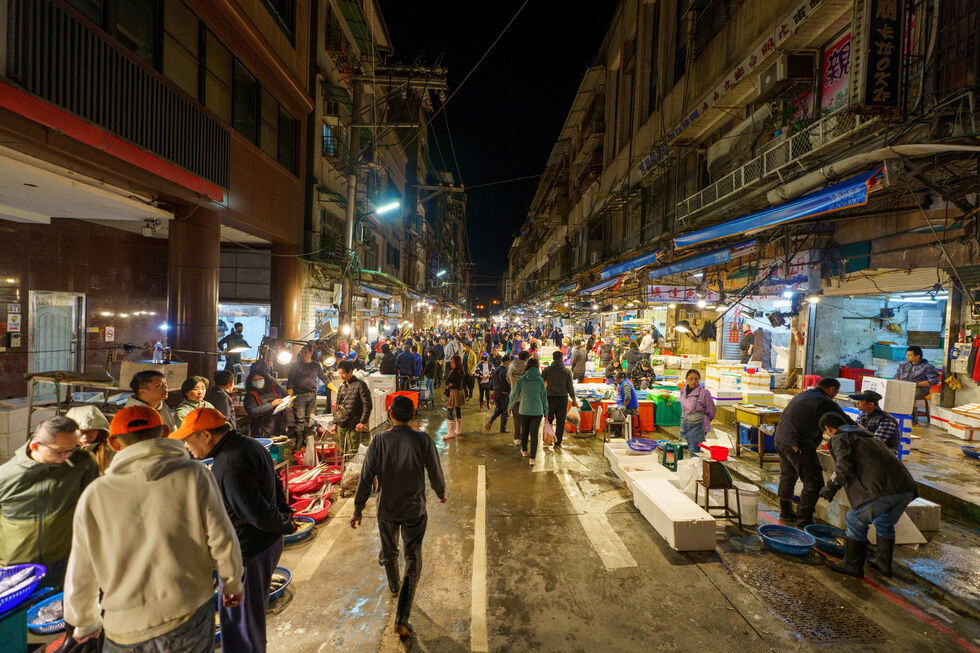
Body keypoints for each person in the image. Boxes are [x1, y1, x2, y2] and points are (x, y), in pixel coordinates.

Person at [64, 406, 244, 651]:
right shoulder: (194, 475)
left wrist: (84, 620)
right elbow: (222, 536)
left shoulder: (96, 494)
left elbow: (82, 567)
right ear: (166, 432)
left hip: (125, 626)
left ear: (114, 444)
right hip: (188, 613)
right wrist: (232, 583)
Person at [172, 408, 294, 652]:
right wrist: (285, 514)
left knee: (242, 625)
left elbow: (257, 513)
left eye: (188, 439)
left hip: (250, 551)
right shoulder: (249, 445)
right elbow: (276, 481)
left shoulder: (228, 465)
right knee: (245, 618)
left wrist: (285, 523)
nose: (186, 446)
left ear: (206, 436)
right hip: (266, 543)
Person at [350, 396, 446, 639]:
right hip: (414, 509)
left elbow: (365, 476)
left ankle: (394, 587)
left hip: (387, 509)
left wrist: (358, 508)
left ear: (390, 414)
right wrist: (440, 492)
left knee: (389, 550)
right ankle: (402, 618)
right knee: (413, 559)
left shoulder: (379, 441)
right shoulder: (423, 440)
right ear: (413, 414)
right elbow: (434, 469)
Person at [0, 416, 98, 585]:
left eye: (72, 449)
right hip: (16, 568)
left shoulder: (82, 464)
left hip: (64, 561)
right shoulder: (6, 476)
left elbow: (92, 505)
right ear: (35, 446)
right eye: (60, 451)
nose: (67, 456)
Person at [817, 413, 917, 578]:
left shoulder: (839, 437)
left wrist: (830, 487)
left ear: (829, 429)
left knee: (854, 521)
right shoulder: (867, 436)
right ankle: (883, 564)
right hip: (906, 487)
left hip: (881, 490)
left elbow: (843, 467)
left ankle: (852, 565)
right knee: (884, 522)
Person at [774, 377, 851, 526]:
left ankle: (786, 513)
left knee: (788, 475)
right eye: (836, 393)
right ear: (832, 390)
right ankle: (803, 521)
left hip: (781, 439)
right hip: (797, 445)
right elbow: (844, 420)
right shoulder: (825, 401)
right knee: (813, 483)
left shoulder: (804, 394)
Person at [286, 346, 330, 444]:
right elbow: (290, 382)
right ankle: (298, 442)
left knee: (308, 419)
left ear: (311, 353)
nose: (304, 354)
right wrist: (289, 399)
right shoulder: (295, 365)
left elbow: (324, 378)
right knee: (300, 420)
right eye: (303, 352)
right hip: (299, 396)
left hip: (312, 396)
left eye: (306, 352)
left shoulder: (316, 365)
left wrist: (334, 388)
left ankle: (305, 440)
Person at [509, 357, 548, 465]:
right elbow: (544, 397)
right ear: (537, 367)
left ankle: (524, 450)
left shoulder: (522, 379)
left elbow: (514, 394)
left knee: (525, 431)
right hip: (537, 411)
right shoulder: (540, 380)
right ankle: (532, 458)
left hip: (524, 410)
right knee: (534, 434)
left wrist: (510, 406)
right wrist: (546, 412)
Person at [331, 360, 372, 457]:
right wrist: (335, 423)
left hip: (354, 424)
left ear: (351, 371)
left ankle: (352, 471)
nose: (341, 376)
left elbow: (367, 404)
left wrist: (363, 422)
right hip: (342, 424)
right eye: (340, 373)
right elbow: (338, 407)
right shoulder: (341, 386)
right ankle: (343, 470)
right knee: (342, 451)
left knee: (352, 452)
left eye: (343, 373)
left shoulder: (360, 385)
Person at [894, 345, 940, 424]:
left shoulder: (927, 366)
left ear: (917, 356)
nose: (907, 357)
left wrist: (916, 384)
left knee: (909, 396)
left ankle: (911, 420)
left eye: (910, 355)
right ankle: (896, 418)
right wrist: (899, 384)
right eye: (907, 354)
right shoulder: (903, 365)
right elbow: (897, 376)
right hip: (904, 387)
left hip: (920, 389)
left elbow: (934, 381)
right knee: (893, 394)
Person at [541, 350, 577, 450]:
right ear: (561, 358)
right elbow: (570, 387)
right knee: (561, 421)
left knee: (549, 419)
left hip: (550, 398)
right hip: (562, 398)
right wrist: (574, 400)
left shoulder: (547, 370)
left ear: (553, 358)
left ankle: (548, 439)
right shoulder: (566, 371)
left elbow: (540, 382)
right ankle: (557, 442)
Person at [849, 390, 901, 455]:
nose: (857, 403)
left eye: (861, 401)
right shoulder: (863, 415)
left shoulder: (886, 420)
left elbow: (877, 443)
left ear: (871, 404)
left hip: (885, 456)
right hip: (868, 450)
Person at [66, 405, 113, 474]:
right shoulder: (59, 453)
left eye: (91, 430)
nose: (85, 436)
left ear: (100, 431)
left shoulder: (111, 452)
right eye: (81, 431)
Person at [679, 369, 716, 455]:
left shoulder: (704, 393)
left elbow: (712, 410)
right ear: (686, 379)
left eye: (696, 379)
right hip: (686, 424)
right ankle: (694, 466)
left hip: (699, 426)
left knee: (694, 450)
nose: (693, 381)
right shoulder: (683, 390)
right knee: (690, 446)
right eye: (690, 379)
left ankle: (696, 467)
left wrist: (704, 421)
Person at [244, 369, 287, 439]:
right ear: (250, 382)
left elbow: (285, 395)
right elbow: (252, 412)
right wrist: (272, 404)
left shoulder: (274, 387)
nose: (258, 381)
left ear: (265, 379)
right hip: (263, 431)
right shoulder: (250, 395)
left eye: (260, 379)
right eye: (255, 380)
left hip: (279, 427)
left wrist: (287, 401)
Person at [506, 351, 529, 444]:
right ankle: (525, 436)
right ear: (526, 359)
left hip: (514, 396)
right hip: (525, 396)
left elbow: (507, 379)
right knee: (526, 418)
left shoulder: (511, 367)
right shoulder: (527, 367)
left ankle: (517, 438)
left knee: (516, 418)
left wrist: (513, 383)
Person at [485, 356, 512, 433]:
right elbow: (507, 383)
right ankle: (503, 428)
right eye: (509, 362)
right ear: (506, 362)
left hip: (496, 392)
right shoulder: (506, 371)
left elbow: (491, 381)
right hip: (504, 393)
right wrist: (510, 392)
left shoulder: (496, 369)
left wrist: (491, 390)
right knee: (505, 411)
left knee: (498, 409)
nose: (509, 363)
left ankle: (490, 422)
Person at [610, 371, 640, 436]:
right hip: (626, 406)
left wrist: (623, 406)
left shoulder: (626, 385)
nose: (615, 380)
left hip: (631, 409)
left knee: (616, 412)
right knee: (610, 409)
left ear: (621, 378)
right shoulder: (621, 383)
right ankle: (614, 429)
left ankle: (618, 433)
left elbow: (628, 398)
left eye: (616, 378)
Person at [444, 355, 465, 440]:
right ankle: (458, 430)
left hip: (454, 392)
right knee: (458, 410)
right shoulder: (461, 371)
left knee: (449, 411)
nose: (451, 363)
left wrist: (450, 383)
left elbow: (446, 381)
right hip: (460, 392)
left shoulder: (454, 372)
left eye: (452, 362)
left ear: (456, 363)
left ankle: (451, 433)